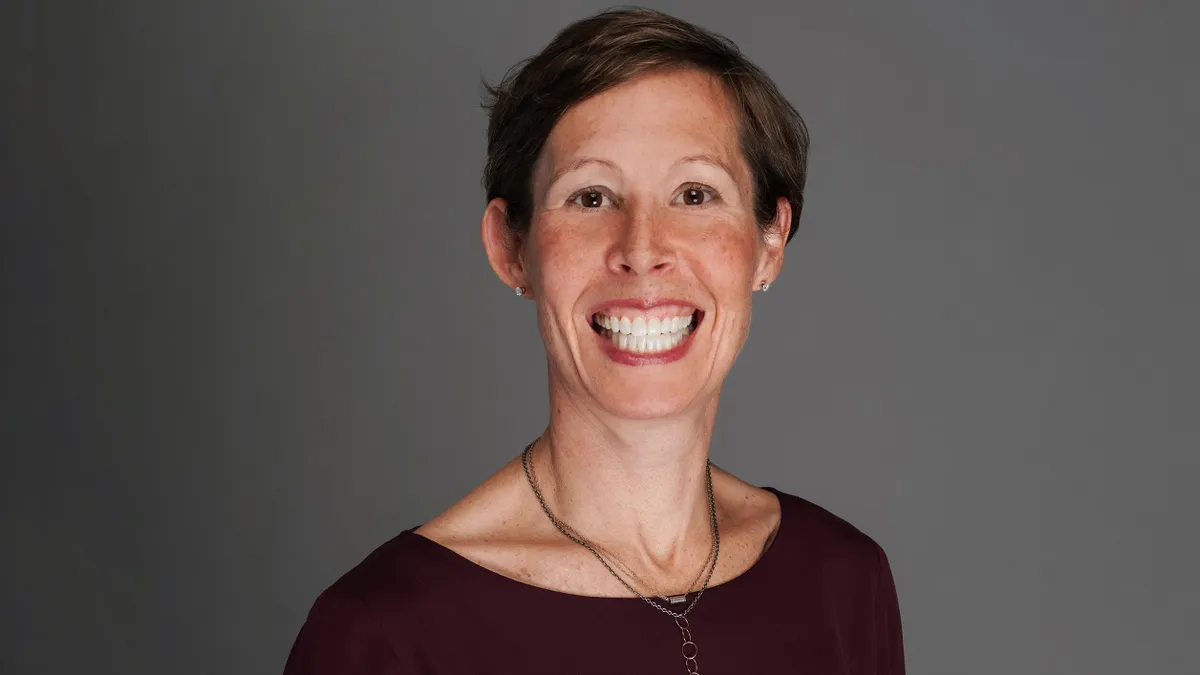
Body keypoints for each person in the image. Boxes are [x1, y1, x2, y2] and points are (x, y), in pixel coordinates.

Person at [283, 7, 904, 674]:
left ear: (770, 242)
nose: (642, 249)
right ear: (510, 248)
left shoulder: (843, 583)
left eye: (695, 194)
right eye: (591, 197)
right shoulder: (383, 635)